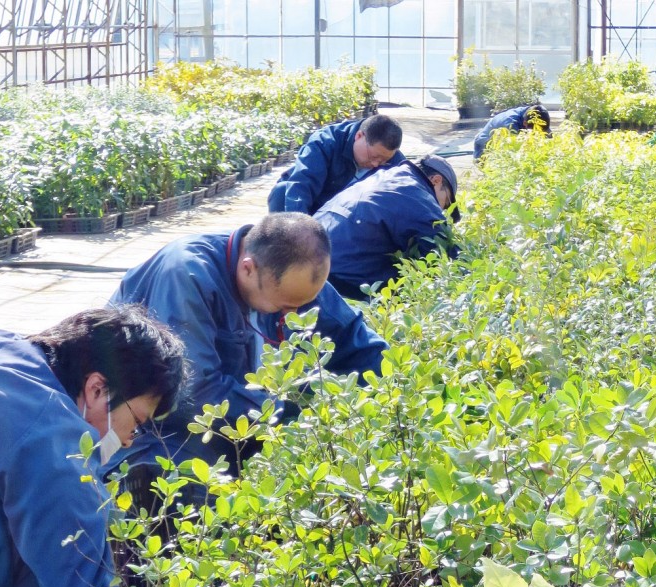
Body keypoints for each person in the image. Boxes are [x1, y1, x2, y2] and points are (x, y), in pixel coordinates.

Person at [0, 306, 185, 587]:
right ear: (98, 388)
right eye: (135, 422)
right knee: (59, 564)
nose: (129, 440)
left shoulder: (16, 356)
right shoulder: (51, 438)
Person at [110, 213, 388, 473]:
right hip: (152, 429)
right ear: (248, 269)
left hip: (242, 415)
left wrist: (384, 394)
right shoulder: (187, 274)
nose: (294, 316)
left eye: (301, 305)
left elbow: (359, 344)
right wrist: (293, 411)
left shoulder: (296, 276)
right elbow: (193, 395)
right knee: (180, 476)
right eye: (283, 307)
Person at [314, 155, 459, 302]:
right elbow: (444, 253)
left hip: (310, 258)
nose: (442, 210)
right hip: (340, 277)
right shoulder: (419, 195)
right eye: (445, 203)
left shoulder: (385, 175)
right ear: (436, 181)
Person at [268, 113, 404, 216]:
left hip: (349, 216)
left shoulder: (395, 160)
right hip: (316, 205)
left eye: (383, 161)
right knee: (283, 191)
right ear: (359, 136)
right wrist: (300, 229)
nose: (376, 164)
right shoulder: (325, 142)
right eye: (374, 157)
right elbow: (302, 185)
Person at [473, 104, 552, 160]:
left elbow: (548, 137)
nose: (537, 135)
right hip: (484, 152)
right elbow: (515, 152)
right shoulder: (510, 123)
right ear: (525, 123)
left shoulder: (536, 114)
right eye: (535, 132)